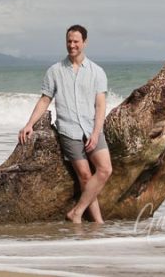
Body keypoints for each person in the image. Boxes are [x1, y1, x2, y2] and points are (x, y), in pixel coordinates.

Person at [18, 25, 113, 224]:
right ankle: (98, 222)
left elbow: (100, 105)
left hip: (91, 128)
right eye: (69, 41)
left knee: (105, 170)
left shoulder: (97, 72)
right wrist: (29, 124)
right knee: (85, 176)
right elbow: (45, 99)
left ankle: (76, 212)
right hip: (69, 130)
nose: (72, 45)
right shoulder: (55, 71)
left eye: (76, 41)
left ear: (84, 43)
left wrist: (96, 133)